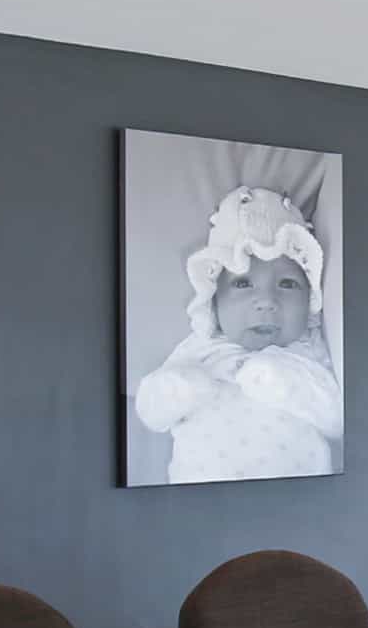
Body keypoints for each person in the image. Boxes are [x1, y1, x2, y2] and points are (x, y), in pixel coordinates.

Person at [135, 183, 340, 480]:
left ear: (310, 298)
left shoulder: (308, 348)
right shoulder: (201, 346)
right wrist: (176, 389)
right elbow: (153, 414)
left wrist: (278, 381)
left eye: (287, 284)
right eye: (243, 284)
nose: (267, 302)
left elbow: (335, 418)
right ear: (213, 300)